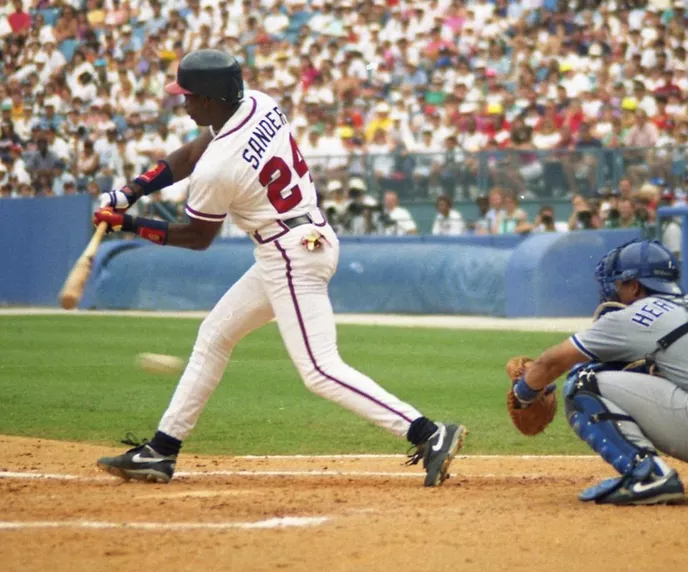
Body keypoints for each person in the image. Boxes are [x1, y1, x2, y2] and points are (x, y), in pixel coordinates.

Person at [93, 50, 466, 487]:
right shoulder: (258, 104)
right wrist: (132, 190)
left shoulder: (218, 168)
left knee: (319, 369)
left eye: (189, 96)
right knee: (215, 335)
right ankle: (162, 450)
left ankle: (428, 432)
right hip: (300, 239)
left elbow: (197, 237)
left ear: (211, 99)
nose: (184, 103)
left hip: (290, 252)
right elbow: (196, 149)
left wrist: (129, 225)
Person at [509, 240, 688, 505]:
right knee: (675, 373)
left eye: (617, 283)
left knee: (583, 382)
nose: (612, 291)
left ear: (633, 285)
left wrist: (523, 394)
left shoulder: (636, 314)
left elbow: (553, 363)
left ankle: (647, 474)